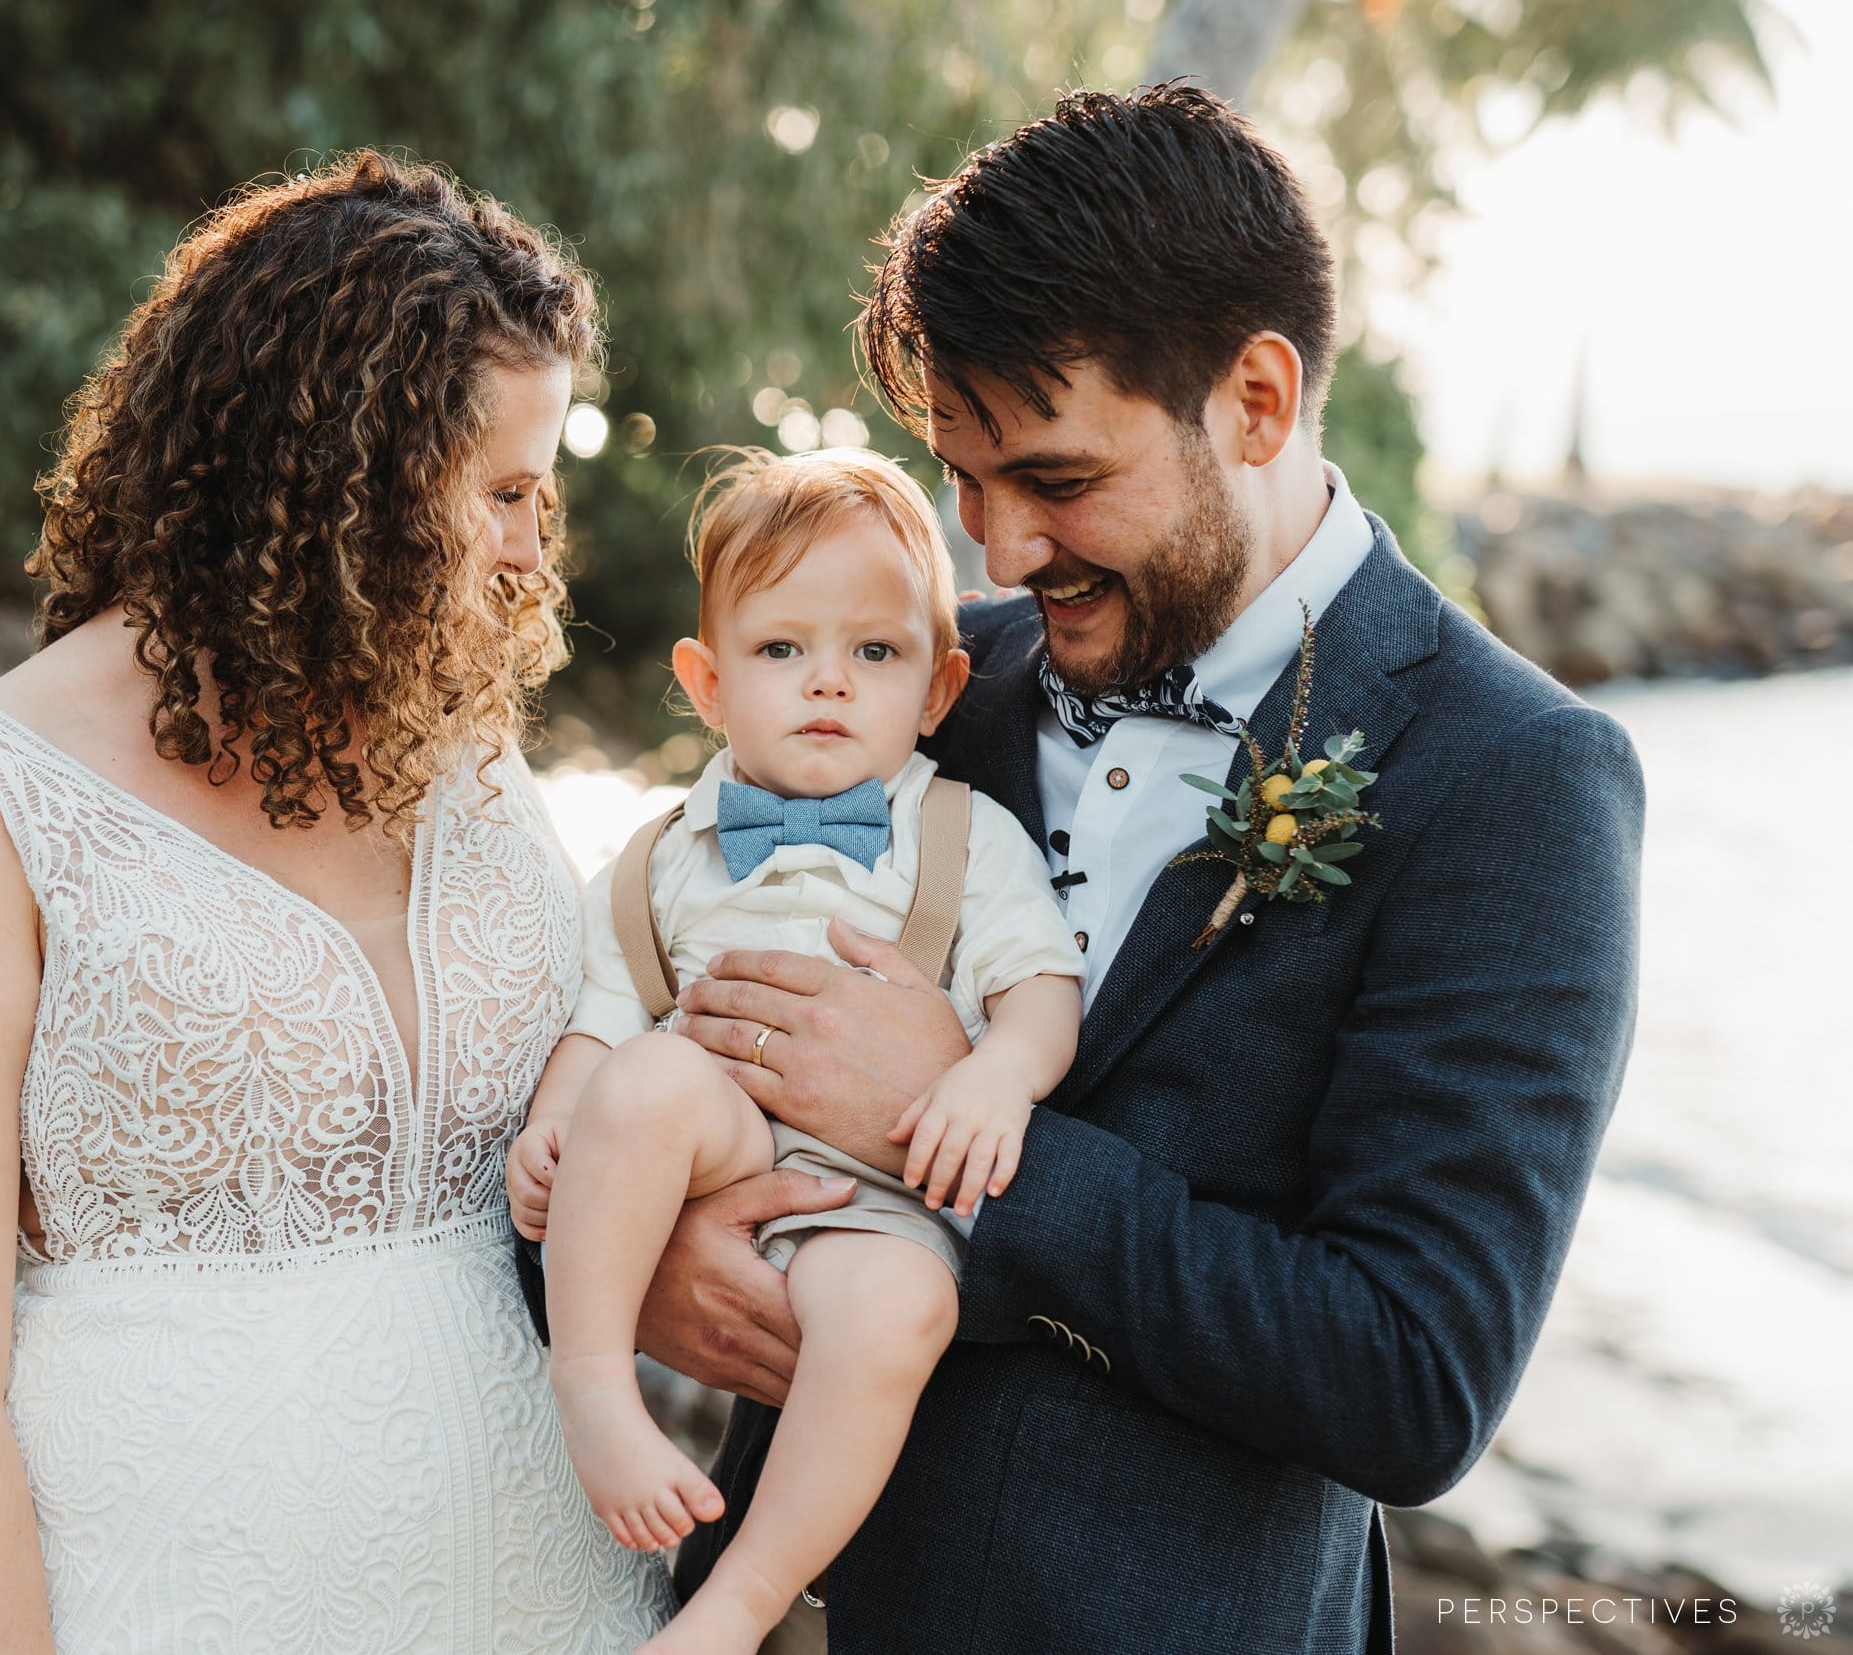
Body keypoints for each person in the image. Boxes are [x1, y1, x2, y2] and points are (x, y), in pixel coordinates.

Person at [617, 86, 1645, 1652]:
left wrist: (963, 1115)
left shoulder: (1512, 776)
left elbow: (1409, 1374)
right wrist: (654, 1256)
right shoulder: (925, 680)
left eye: (1057, 480)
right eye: (963, 483)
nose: (1002, 551)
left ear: (1255, 397)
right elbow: (649, 975)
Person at [0, 150, 673, 1654]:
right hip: (171, 1592)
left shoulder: (458, 752)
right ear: (342, 479)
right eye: (505, 492)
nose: (537, 550)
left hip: (550, 1590)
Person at [506, 449, 1084, 1652]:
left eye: (874, 654)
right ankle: (595, 1387)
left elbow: (1041, 990)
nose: (827, 682)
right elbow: (602, 1009)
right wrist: (554, 1124)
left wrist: (993, 1073)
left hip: (876, 1194)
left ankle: (742, 1601)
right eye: (781, 652)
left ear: (938, 689)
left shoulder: (964, 835)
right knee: (649, 1074)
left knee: (898, 1311)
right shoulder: (666, 851)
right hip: (709, 1151)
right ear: (707, 684)